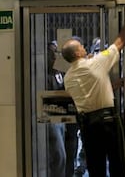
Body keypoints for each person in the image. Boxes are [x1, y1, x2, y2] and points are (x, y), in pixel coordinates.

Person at [61, 6, 125, 177]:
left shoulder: (68, 78)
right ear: (78, 52)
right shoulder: (95, 63)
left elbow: (89, 92)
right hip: (107, 120)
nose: (84, 47)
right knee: (117, 162)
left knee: (96, 166)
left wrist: (111, 86)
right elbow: (120, 42)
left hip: (87, 124)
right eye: (81, 46)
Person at [46, 41, 78, 177]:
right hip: (52, 119)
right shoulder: (45, 76)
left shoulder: (60, 73)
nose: (56, 58)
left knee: (69, 155)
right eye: (53, 55)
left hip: (66, 120)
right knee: (59, 156)